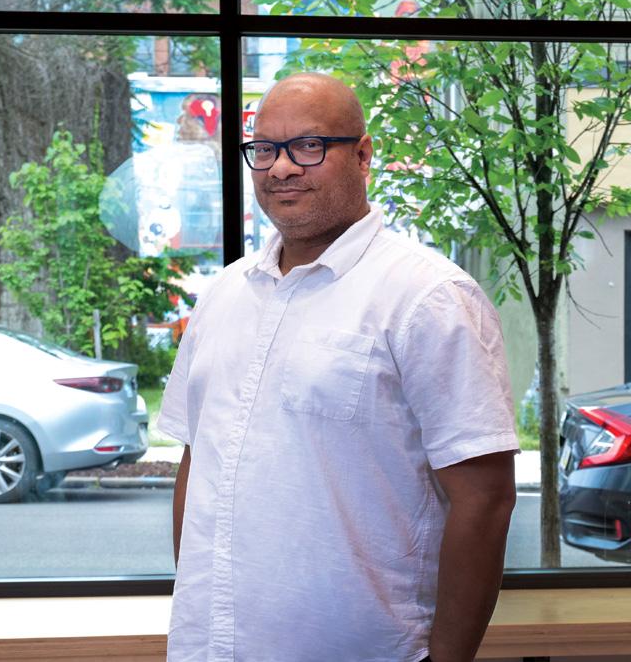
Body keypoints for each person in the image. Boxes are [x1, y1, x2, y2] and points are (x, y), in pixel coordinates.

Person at [160, 72, 519, 662]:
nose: (281, 169)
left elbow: (485, 498)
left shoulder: (427, 298)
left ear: (363, 154)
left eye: (308, 146)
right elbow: (197, 463)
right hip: (210, 645)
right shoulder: (225, 294)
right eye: (266, 149)